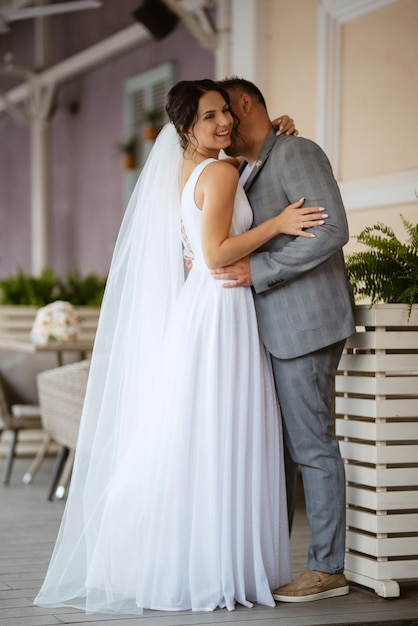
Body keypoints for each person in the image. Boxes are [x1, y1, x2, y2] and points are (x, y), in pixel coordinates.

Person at [34, 80, 327, 614]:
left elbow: (212, 224)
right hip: (223, 305)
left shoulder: (192, 170)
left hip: (208, 306)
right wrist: (280, 224)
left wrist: (274, 132)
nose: (224, 124)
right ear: (185, 127)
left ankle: (201, 561)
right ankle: (222, 566)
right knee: (225, 433)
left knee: (207, 434)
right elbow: (215, 253)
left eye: (226, 114)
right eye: (210, 116)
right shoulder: (216, 171)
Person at [213, 77, 356, 603]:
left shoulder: (296, 151)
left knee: (312, 447)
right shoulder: (250, 165)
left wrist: (262, 270)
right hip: (272, 332)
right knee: (284, 452)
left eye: (223, 112)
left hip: (305, 326)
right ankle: (292, 561)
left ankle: (327, 570)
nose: (221, 126)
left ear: (243, 104)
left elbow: (332, 229)